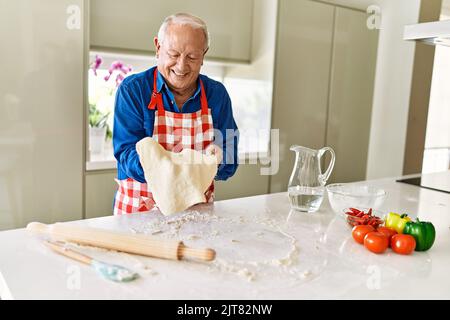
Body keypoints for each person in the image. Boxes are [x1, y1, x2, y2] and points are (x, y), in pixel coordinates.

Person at [112, 13, 239, 215]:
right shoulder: (133, 90)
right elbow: (126, 153)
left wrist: (220, 159)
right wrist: (172, 170)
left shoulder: (217, 95)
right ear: (158, 47)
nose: (181, 66)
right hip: (140, 212)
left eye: (192, 57)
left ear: (203, 55)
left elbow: (230, 157)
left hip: (197, 214)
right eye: (173, 54)